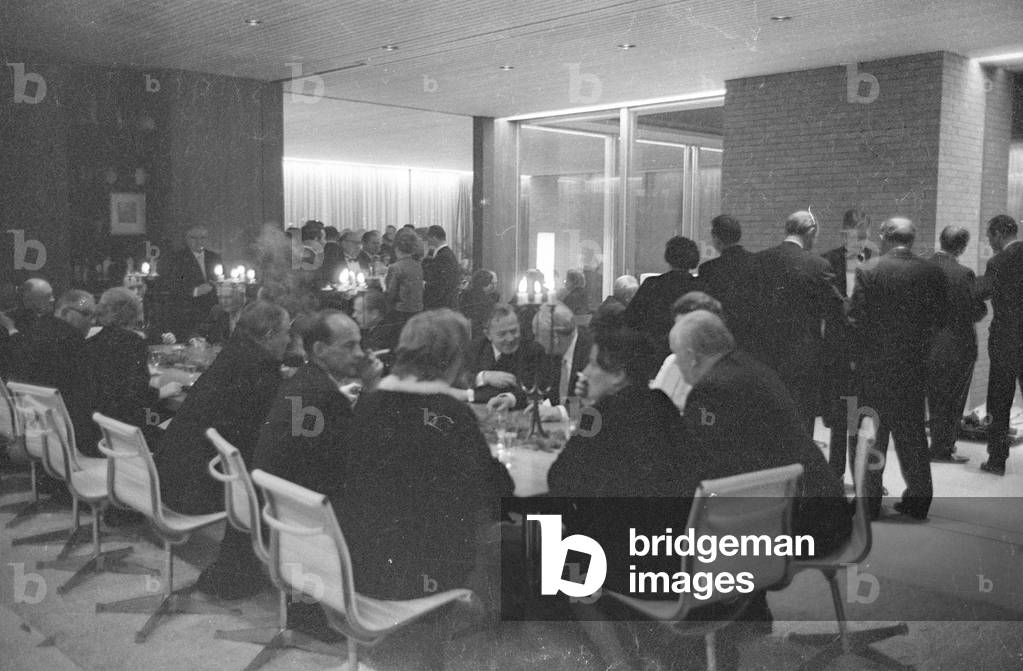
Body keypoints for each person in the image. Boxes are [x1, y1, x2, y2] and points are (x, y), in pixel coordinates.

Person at [328, 309, 512, 600]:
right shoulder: (448, 413)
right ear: (452, 359)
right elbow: (493, 491)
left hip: (362, 563)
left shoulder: (370, 404)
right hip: (422, 571)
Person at [671, 310, 853, 556]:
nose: (676, 364)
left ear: (692, 357)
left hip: (795, 528)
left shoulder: (711, 391)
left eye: (676, 355)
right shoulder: (750, 368)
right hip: (823, 515)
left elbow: (701, 467)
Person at [154, 300, 291, 598]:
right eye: (286, 333)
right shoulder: (261, 368)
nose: (289, 339)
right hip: (198, 490)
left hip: (170, 479)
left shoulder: (233, 355)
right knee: (277, 473)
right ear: (269, 335)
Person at [849, 217, 949, 519]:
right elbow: (941, 318)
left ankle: (868, 504)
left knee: (871, 435)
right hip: (913, 366)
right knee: (913, 435)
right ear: (912, 239)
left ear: (884, 236)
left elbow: (856, 319)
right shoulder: (932, 271)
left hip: (874, 367)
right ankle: (919, 501)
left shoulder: (869, 269)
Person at [751, 211, 846, 437]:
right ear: (810, 232)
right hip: (804, 354)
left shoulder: (759, 260)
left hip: (765, 352)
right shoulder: (818, 265)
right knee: (802, 419)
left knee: (770, 418)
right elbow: (835, 309)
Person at [86, 288, 181, 445]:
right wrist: (162, 392)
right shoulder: (132, 342)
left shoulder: (91, 341)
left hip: (98, 431)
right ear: (132, 312)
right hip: (128, 436)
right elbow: (136, 395)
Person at [12, 289, 100, 457]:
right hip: (66, 441)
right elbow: (84, 397)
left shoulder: (31, 330)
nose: (93, 321)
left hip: (31, 432)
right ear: (66, 312)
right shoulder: (73, 340)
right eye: (87, 314)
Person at [927, 226, 986, 463]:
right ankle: (943, 448)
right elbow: (974, 310)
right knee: (953, 400)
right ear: (961, 247)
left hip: (928, 344)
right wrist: (982, 308)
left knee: (935, 397)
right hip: (957, 346)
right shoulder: (963, 274)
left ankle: (936, 444)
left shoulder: (922, 268)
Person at [975, 214, 1023, 476]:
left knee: (999, 400)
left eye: (990, 236)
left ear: (999, 234)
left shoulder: (998, 262)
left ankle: (997, 459)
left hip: (1006, 339)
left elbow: (982, 292)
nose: (989, 241)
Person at [623, 236, 702, 355]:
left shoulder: (652, 284)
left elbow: (631, 318)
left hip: (653, 351)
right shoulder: (699, 286)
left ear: (668, 257)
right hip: (690, 351)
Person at [651, 291, 723, 413]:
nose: (679, 335)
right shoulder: (672, 360)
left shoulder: (722, 374)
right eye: (677, 327)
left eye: (687, 329)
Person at [697, 215, 757, 352]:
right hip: (751, 334)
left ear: (716, 238)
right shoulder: (757, 262)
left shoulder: (708, 269)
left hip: (720, 334)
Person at [467, 302, 545, 408]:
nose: (510, 338)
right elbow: (460, 378)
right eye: (502, 334)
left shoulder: (533, 350)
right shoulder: (476, 349)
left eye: (514, 331)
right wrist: (484, 377)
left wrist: (509, 399)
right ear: (488, 334)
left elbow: (533, 388)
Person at [530, 302, 592, 418]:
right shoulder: (551, 353)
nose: (536, 341)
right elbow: (537, 385)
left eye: (538, 336)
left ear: (555, 338)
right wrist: (512, 398)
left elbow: (596, 400)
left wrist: (560, 412)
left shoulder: (592, 352)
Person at [162, 225, 222, 338]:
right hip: (188, 311)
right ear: (186, 239)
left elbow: (222, 279)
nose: (199, 241)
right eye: (194, 238)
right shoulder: (177, 258)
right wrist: (195, 291)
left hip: (213, 310)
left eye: (202, 238)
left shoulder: (215, 257)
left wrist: (219, 286)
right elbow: (171, 285)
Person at [382, 227, 423, 333]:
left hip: (401, 313)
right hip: (417, 311)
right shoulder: (418, 265)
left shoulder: (395, 267)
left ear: (396, 248)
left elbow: (391, 293)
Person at [422, 225, 461, 309]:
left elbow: (443, 282)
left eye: (428, 238)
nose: (427, 241)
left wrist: (424, 285)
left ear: (434, 237)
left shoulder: (443, 256)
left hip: (443, 304)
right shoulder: (444, 253)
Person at [458, 269, 500, 340]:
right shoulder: (487, 302)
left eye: (495, 283)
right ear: (485, 284)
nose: (493, 286)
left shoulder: (465, 295)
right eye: (491, 283)